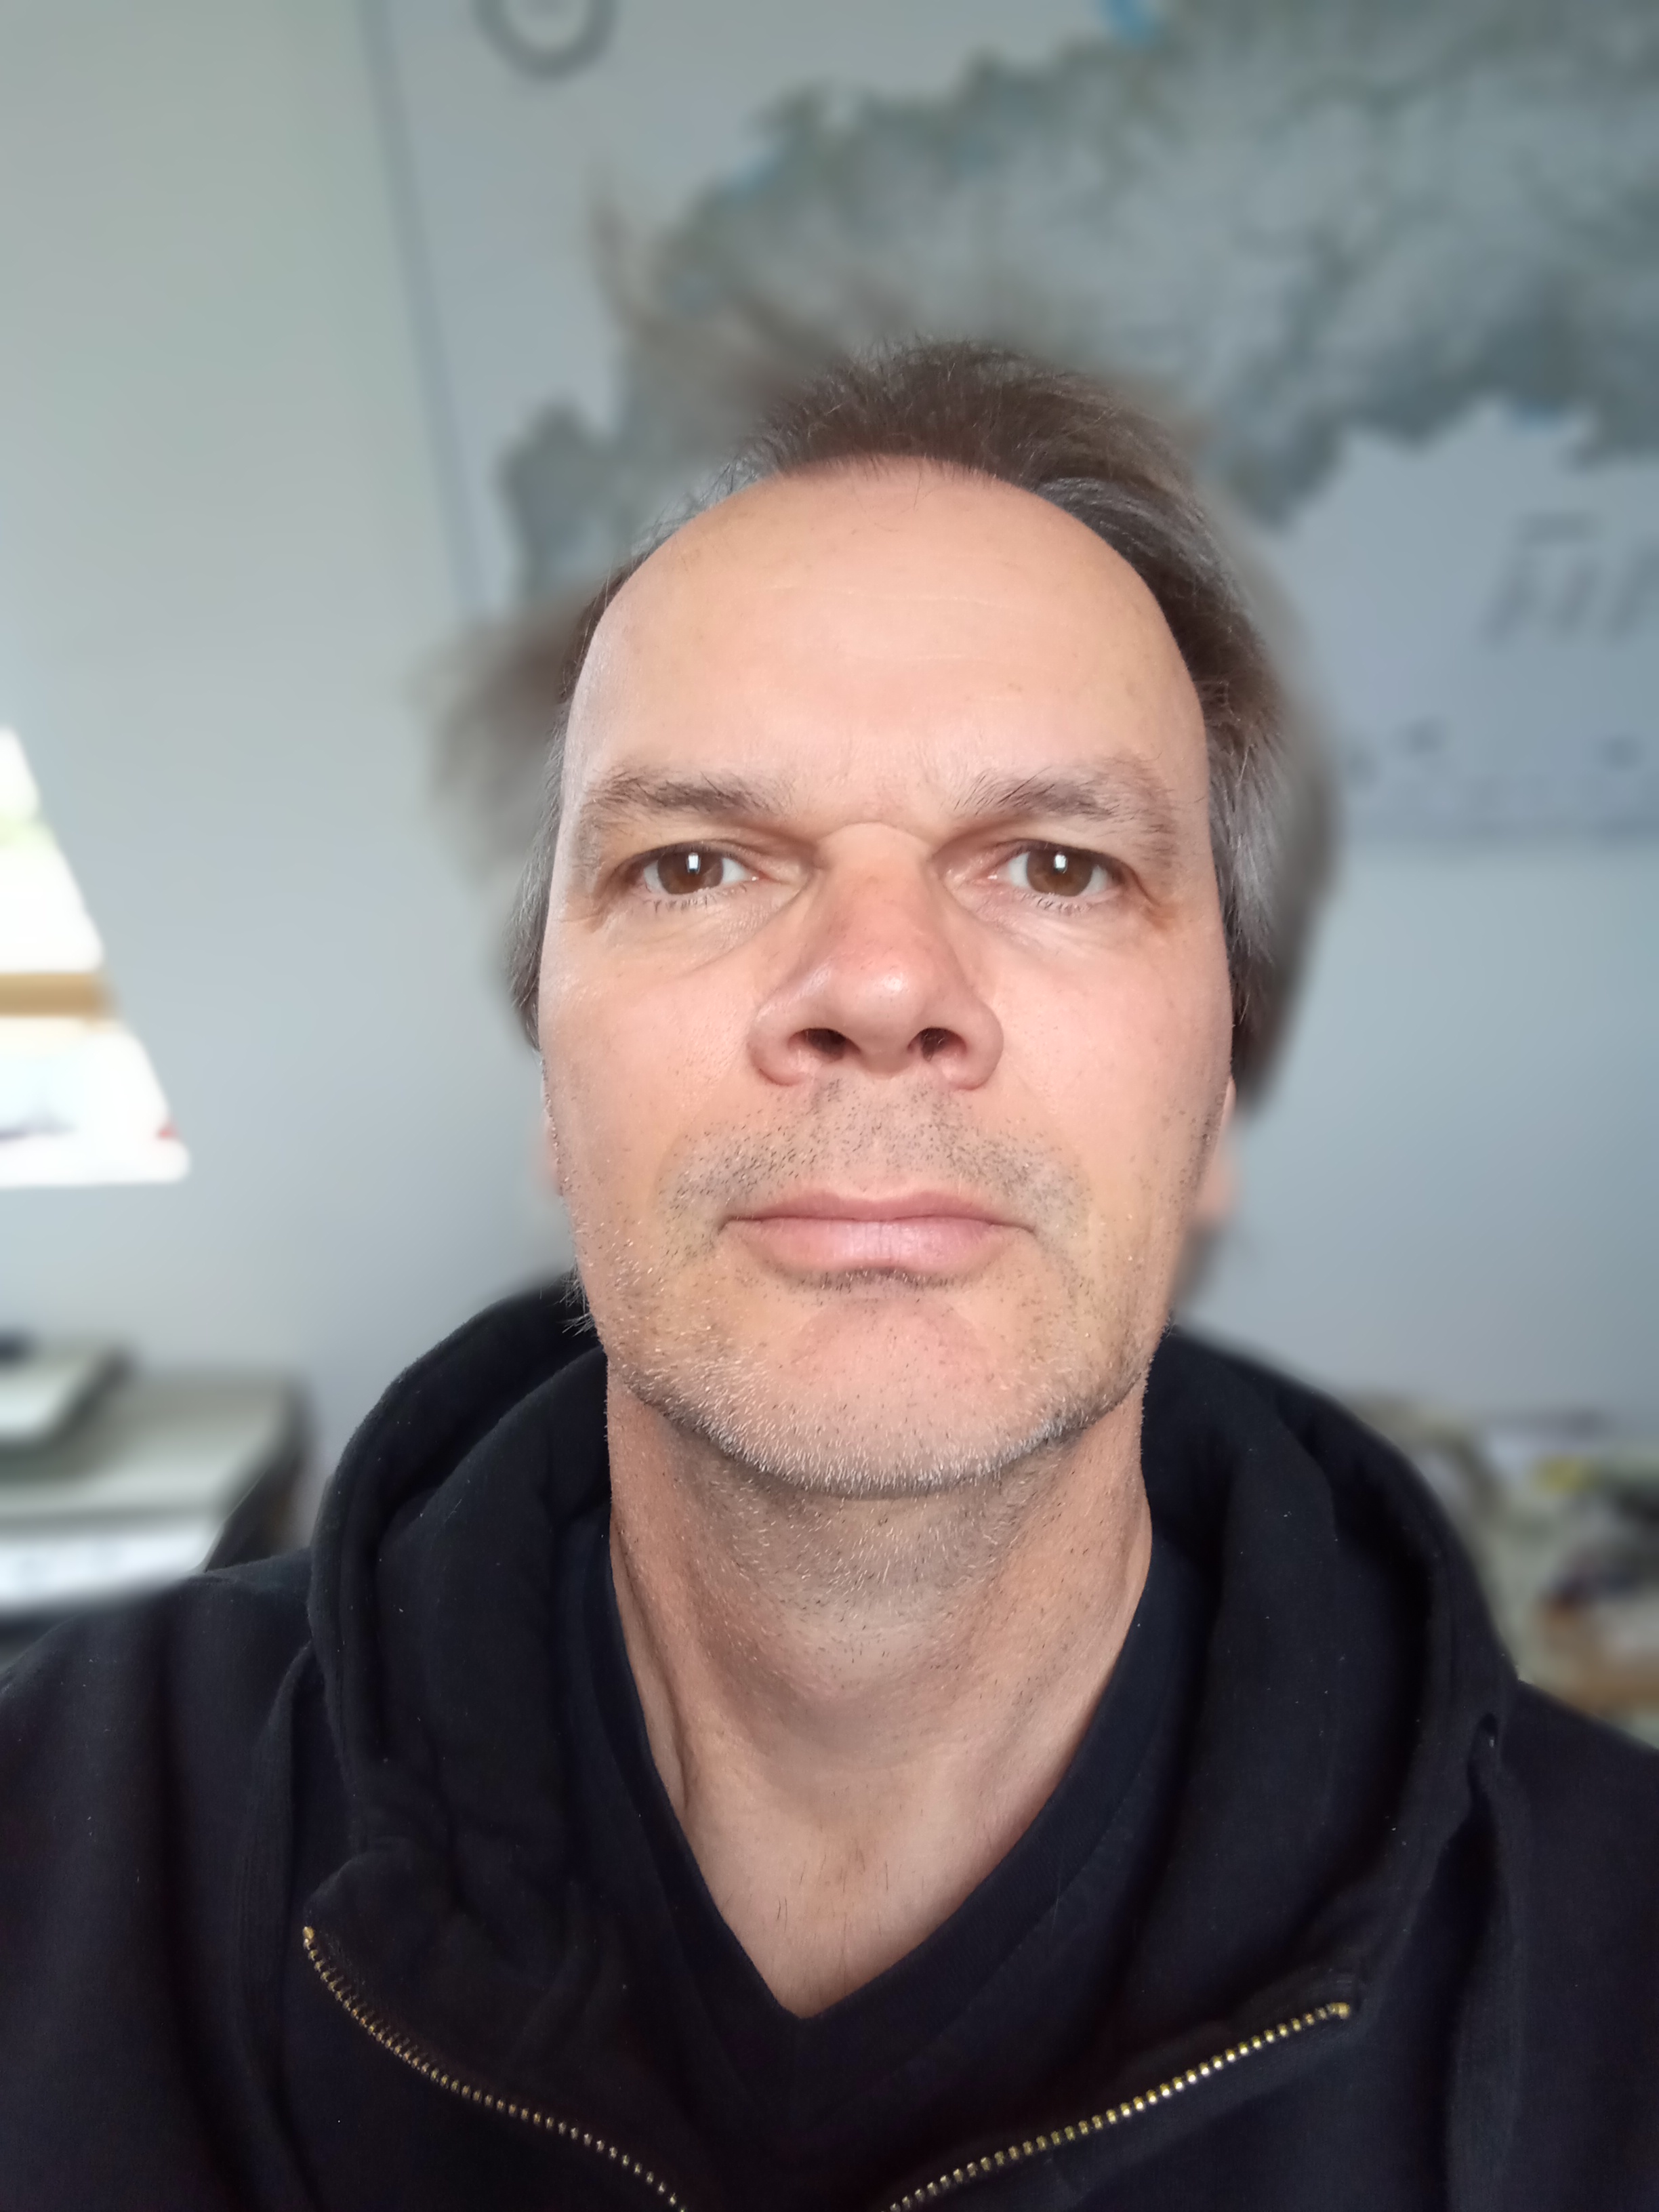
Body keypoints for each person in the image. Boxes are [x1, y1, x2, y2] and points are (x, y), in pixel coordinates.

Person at [1, 343, 1654, 2212]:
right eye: (699, 864)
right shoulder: (62, 1834)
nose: (878, 985)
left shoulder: (1616, 1985)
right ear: (554, 1088)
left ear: (1214, 1099)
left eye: (1057, 864)